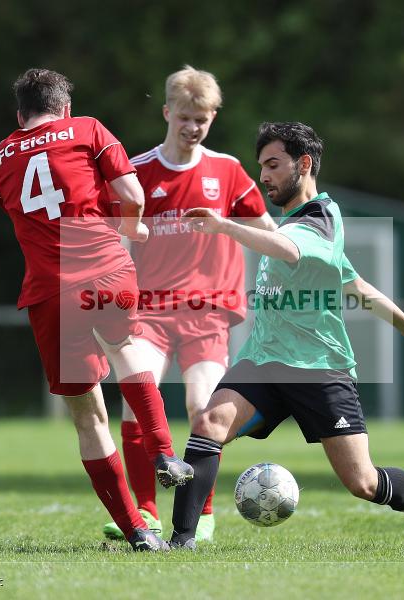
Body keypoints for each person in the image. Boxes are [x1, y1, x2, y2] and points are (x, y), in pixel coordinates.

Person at [169, 121, 404, 550]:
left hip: (318, 368)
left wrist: (224, 226)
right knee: (208, 424)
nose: (263, 176)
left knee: (363, 482)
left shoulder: (321, 219)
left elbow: (288, 250)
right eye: (260, 166)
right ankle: (181, 542)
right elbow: (355, 284)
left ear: (303, 165)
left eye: (273, 165)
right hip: (264, 360)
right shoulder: (290, 225)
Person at [0, 68, 194, 552]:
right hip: (106, 271)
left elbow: (24, 209)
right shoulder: (86, 129)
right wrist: (133, 229)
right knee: (125, 349)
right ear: (65, 109)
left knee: (88, 418)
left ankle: (137, 531)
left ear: (20, 114)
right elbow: (132, 195)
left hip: (49, 291)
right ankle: (164, 453)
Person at [101, 66, 275, 542]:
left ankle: (203, 512)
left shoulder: (228, 170)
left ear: (212, 117)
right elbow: (113, 241)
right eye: (183, 117)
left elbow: (268, 233)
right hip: (150, 312)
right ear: (166, 113)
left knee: (204, 407)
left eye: (201, 118)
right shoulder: (135, 173)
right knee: (138, 402)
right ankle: (148, 513)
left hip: (208, 312)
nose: (192, 127)